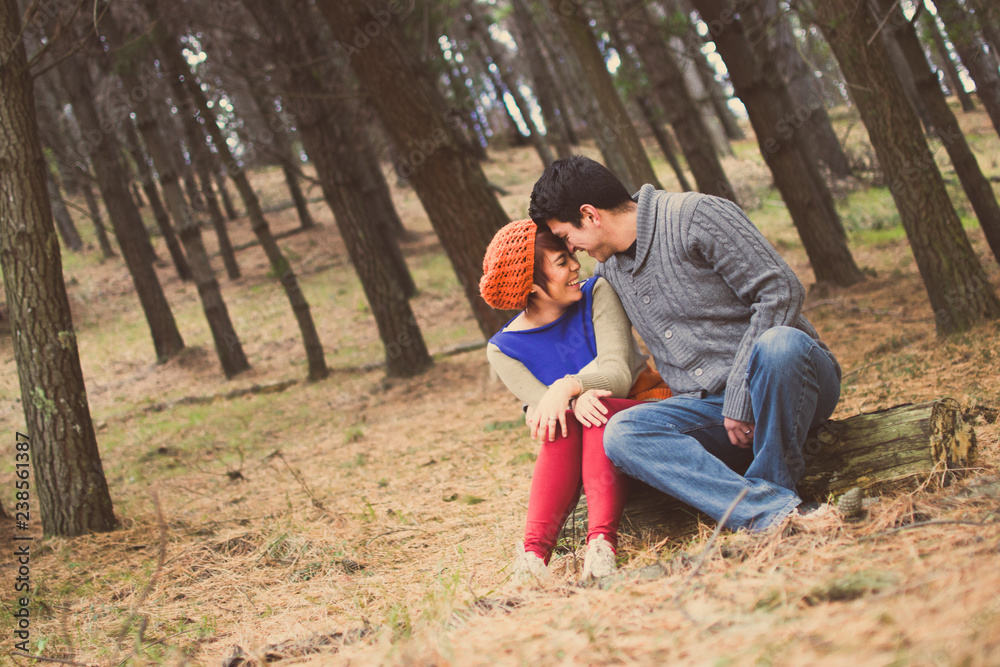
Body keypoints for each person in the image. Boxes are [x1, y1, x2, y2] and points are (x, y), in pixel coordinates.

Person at [527, 155, 842, 534]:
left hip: (787, 379)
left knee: (779, 344)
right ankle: (773, 513)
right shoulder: (609, 271)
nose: (572, 249)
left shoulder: (697, 215)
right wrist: (573, 388)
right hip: (708, 410)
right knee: (625, 432)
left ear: (590, 214)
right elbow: (615, 355)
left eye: (565, 237)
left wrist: (742, 395)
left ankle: (772, 495)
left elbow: (780, 291)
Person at [480, 219, 671, 584]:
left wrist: (568, 388)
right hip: (586, 438)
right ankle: (534, 557)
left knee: (593, 411)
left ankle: (601, 545)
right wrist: (560, 401)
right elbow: (546, 412)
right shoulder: (503, 350)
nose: (575, 267)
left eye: (571, 256)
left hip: (644, 407)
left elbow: (617, 374)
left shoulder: (598, 292)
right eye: (561, 262)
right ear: (532, 285)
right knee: (563, 422)